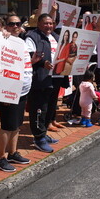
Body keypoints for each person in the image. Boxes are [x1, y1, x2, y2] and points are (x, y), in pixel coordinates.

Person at [0, 14, 39, 173]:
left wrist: (32, 62)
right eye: (11, 24)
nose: (15, 26)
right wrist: (1, 34)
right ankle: (0, 158)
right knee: (7, 126)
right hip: (9, 90)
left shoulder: (22, 42)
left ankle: (12, 153)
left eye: (18, 24)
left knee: (16, 125)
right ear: (6, 26)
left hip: (23, 90)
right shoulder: (2, 39)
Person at [25, 13, 61, 153]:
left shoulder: (56, 37)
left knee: (50, 109)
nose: (49, 26)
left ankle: (44, 134)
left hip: (55, 78)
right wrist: (42, 62)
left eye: (51, 23)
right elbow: (28, 55)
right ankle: (39, 138)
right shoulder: (32, 36)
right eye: (46, 23)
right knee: (39, 109)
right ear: (39, 24)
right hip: (40, 79)